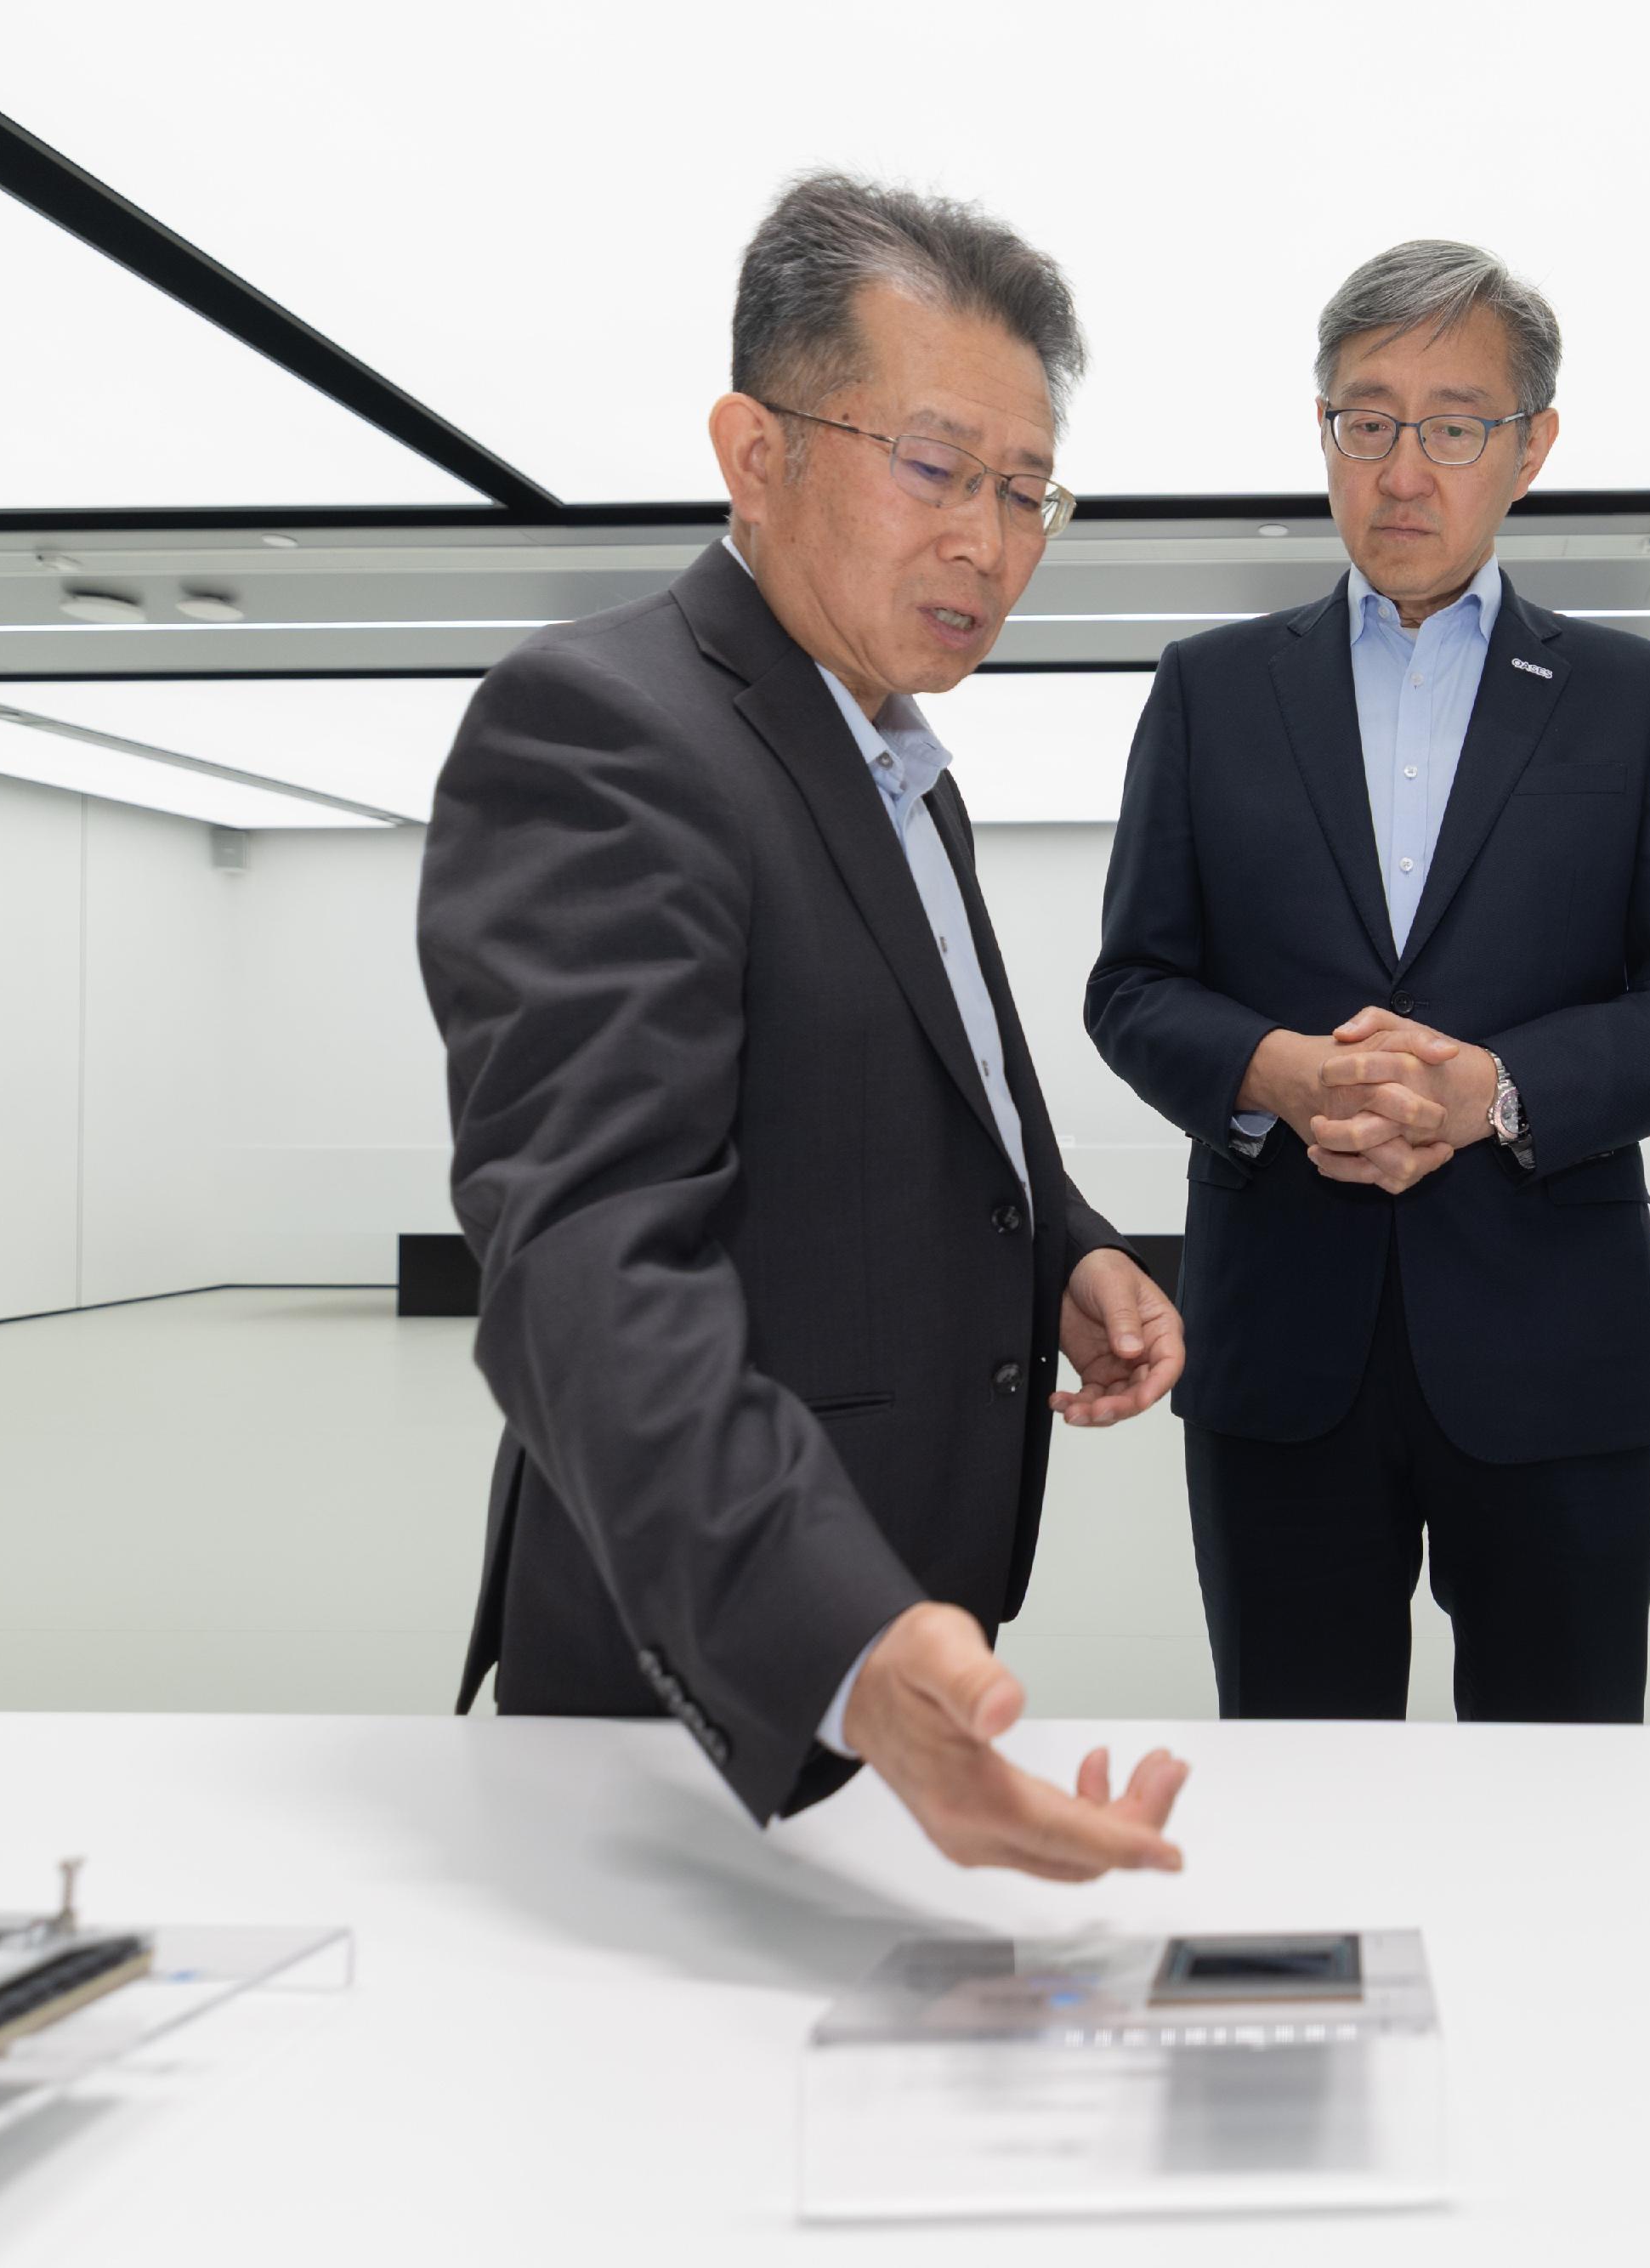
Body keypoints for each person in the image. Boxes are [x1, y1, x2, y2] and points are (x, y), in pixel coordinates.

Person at [419, 173, 1193, 1878]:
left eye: (1023, 490)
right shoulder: (602, 733)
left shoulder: (900, 760)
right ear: (755, 452)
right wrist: (836, 1639)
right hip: (704, 1677)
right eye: (932, 466)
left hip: (893, 1656)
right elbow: (586, 1265)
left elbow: (907, 1083)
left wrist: (1061, 1245)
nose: (987, 542)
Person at [1087, 241, 1650, 1724]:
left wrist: (1492, 1092)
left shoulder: (1636, 701)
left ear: (1531, 448)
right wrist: (1280, 1072)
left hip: (1551, 1352)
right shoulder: (1210, 691)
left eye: (1455, 425)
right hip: (1280, 1350)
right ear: (1322, 433)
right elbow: (1133, 983)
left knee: (1566, 1772)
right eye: (1365, 420)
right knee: (1300, 1776)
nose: (1405, 470)